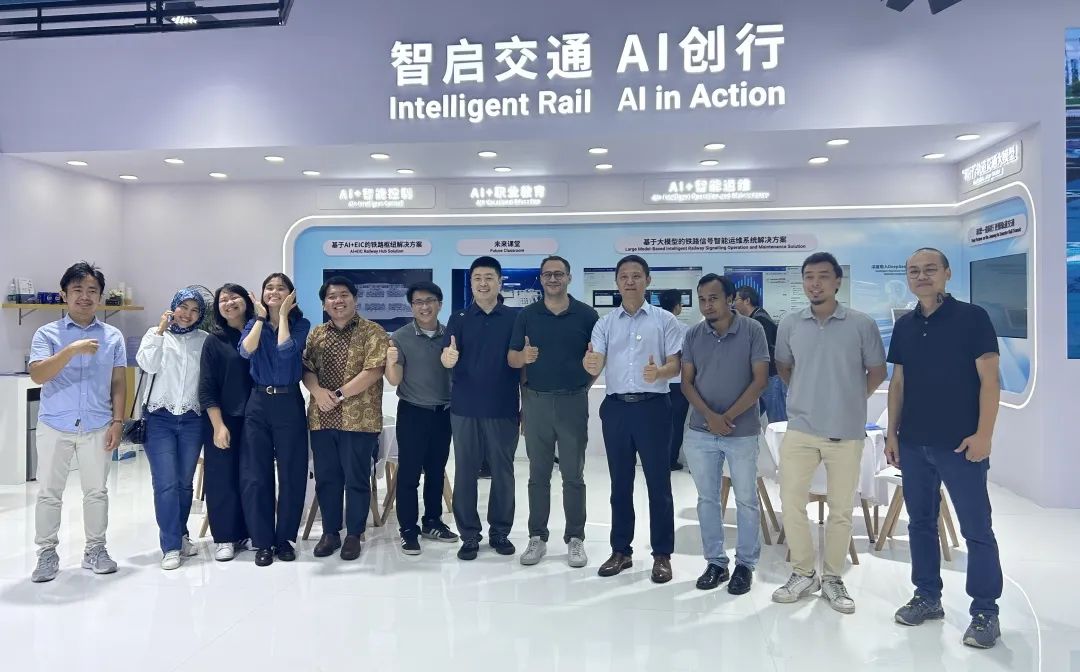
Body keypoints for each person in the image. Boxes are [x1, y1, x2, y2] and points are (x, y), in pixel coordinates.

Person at [886, 248, 1004, 649]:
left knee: (976, 529)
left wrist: (984, 434)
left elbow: (990, 380)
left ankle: (985, 611)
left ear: (947, 274)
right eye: (913, 271)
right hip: (914, 443)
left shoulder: (973, 318)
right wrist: (892, 434)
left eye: (930, 269)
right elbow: (898, 383)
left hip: (960, 444)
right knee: (920, 523)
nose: (921, 276)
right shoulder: (904, 325)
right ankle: (927, 597)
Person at [771, 252, 887, 613]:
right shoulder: (790, 323)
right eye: (809, 277)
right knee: (792, 503)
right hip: (801, 429)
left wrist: (850, 400)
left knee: (841, 509)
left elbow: (877, 372)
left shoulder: (861, 324)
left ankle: (833, 577)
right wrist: (807, 395)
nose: (815, 283)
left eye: (823, 276)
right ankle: (803, 572)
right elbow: (784, 366)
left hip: (846, 433)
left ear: (838, 281)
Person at [584, 255, 682, 583]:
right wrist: (589, 363)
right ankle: (620, 551)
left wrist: (660, 372)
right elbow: (595, 359)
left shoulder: (665, 320)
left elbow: (676, 363)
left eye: (636, 276)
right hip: (617, 409)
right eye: (624, 276)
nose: (630, 281)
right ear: (617, 282)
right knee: (619, 484)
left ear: (647, 280)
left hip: (653, 408)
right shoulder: (605, 323)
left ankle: (662, 554)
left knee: (658, 483)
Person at [29, 262, 126, 583]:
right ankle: (46, 553)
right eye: (77, 290)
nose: (85, 296)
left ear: (100, 296)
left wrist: (118, 421)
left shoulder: (112, 336)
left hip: (98, 424)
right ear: (64, 295)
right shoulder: (47, 334)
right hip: (55, 424)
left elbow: (118, 383)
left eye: (92, 291)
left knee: (96, 491)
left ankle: (95, 549)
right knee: (49, 492)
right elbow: (38, 374)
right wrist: (71, 350)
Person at [681, 274, 770, 594]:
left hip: (741, 431)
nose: (707, 305)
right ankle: (716, 563)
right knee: (707, 499)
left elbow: (760, 380)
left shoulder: (752, 330)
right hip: (701, 432)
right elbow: (686, 382)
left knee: (746, 499)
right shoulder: (693, 334)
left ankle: (745, 565)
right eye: (702, 299)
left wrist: (727, 417)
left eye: (714, 298)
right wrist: (710, 417)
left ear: (730, 299)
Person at [508, 256, 599, 568]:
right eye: (547, 274)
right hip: (536, 402)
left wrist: (584, 386)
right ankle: (537, 537)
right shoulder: (527, 315)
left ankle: (575, 538)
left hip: (573, 401)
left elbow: (597, 358)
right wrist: (523, 357)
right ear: (541, 279)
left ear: (569, 278)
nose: (553, 279)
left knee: (573, 475)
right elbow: (512, 359)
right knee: (538, 475)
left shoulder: (587, 315)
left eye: (559, 274)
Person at [302, 276, 387, 561]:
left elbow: (374, 370)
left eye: (343, 295)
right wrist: (317, 392)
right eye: (331, 296)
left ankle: (354, 534)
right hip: (322, 417)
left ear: (355, 298)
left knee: (357, 478)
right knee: (326, 478)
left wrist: (337, 395)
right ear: (324, 304)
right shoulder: (316, 334)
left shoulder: (372, 331)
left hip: (359, 419)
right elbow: (307, 369)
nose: (338, 300)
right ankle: (330, 533)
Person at [442, 256, 521, 561]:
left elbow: (522, 364)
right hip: (465, 408)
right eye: (477, 278)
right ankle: (469, 535)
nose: (483, 283)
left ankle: (500, 532)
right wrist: (447, 358)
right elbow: (446, 354)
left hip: (503, 407)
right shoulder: (459, 318)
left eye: (489, 277)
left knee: (503, 472)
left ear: (499, 282)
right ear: (471, 282)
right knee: (465, 472)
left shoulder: (515, 318)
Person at [238, 273, 311, 567]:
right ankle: (263, 541)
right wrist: (260, 319)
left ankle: (285, 540)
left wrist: (281, 317)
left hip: (288, 401)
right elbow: (246, 351)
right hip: (258, 402)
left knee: (292, 472)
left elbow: (286, 350)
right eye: (269, 287)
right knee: (256, 474)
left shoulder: (301, 324)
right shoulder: (252, 324)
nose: (274, 291)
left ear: (291, 295)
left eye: (281, 288)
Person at [136, 287, 209, 570]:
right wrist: (160, 331)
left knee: (184, 483)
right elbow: (147, 364)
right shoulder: (155, 334)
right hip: (159, 418)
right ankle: (170, 546)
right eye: (183, 307)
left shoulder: (204, 340)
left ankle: (180, 535)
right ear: (173, 307)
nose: (188, 314)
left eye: (195, 310)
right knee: (165, 483)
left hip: (192, 418)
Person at [386, 281, 459, 555]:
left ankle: (432, 522)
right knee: (409, 473)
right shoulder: (400, 337)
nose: (424, 307)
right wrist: (390, 361)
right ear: (411, 306)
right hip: (413, 412)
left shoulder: (450, 335)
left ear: (440, 304)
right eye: (418, 302)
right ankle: (408, 529)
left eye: (429, 301)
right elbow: (394, 380)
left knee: (436, 471)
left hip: (443, 413)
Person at [198, 283, 254, 562]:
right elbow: (206, 387)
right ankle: (224, 537)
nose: (229, 302)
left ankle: (251, 531)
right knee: (221, 478)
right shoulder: (214, 341)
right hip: (224, 418)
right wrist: (218, 426)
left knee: (253, 477)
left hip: (256, 418)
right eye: (223, 299)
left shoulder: (259, 332)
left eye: (234, 297)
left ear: (246, 301)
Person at [734, 286, 786, 422]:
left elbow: (763, 352)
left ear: (747, 301)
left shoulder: (760, 320)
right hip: (763, 378)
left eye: (736, 300)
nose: (733, 304)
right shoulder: (755, 318)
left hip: (771, 377)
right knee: (751, 416)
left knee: (778, 420)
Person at [658, 288, 690, 470]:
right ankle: (671, 460)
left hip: (657, 382)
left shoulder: (653, 326)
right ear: (677, 306)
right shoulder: (684, 329)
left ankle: (656, 459)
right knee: (676, 424)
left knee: (657, 423)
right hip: (678, 383)